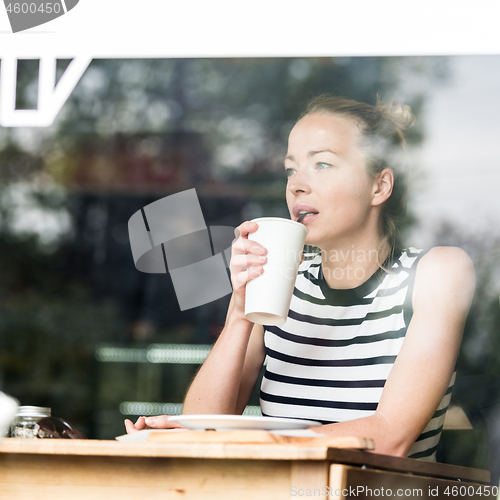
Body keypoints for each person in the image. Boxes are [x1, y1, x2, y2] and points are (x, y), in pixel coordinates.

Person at [125, 95, 475, 460]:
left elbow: (389, 437)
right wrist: (240, 311)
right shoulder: (281, 284)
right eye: (291, 170)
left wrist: (246, 443)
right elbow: (202, 429)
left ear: (379, 187)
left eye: (322, 164)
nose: (297, 185)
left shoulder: (437, 273)